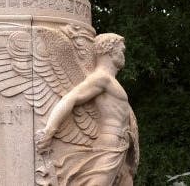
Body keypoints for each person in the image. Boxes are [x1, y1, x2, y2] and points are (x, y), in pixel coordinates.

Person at [35, 33, 139, 186]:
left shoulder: (110, 80)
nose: (123, 55)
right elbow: (71, 98)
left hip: (121, 145)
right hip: (110, 144)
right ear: (110, 50)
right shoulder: (101, 78)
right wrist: (49, 131)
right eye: (121, 50)